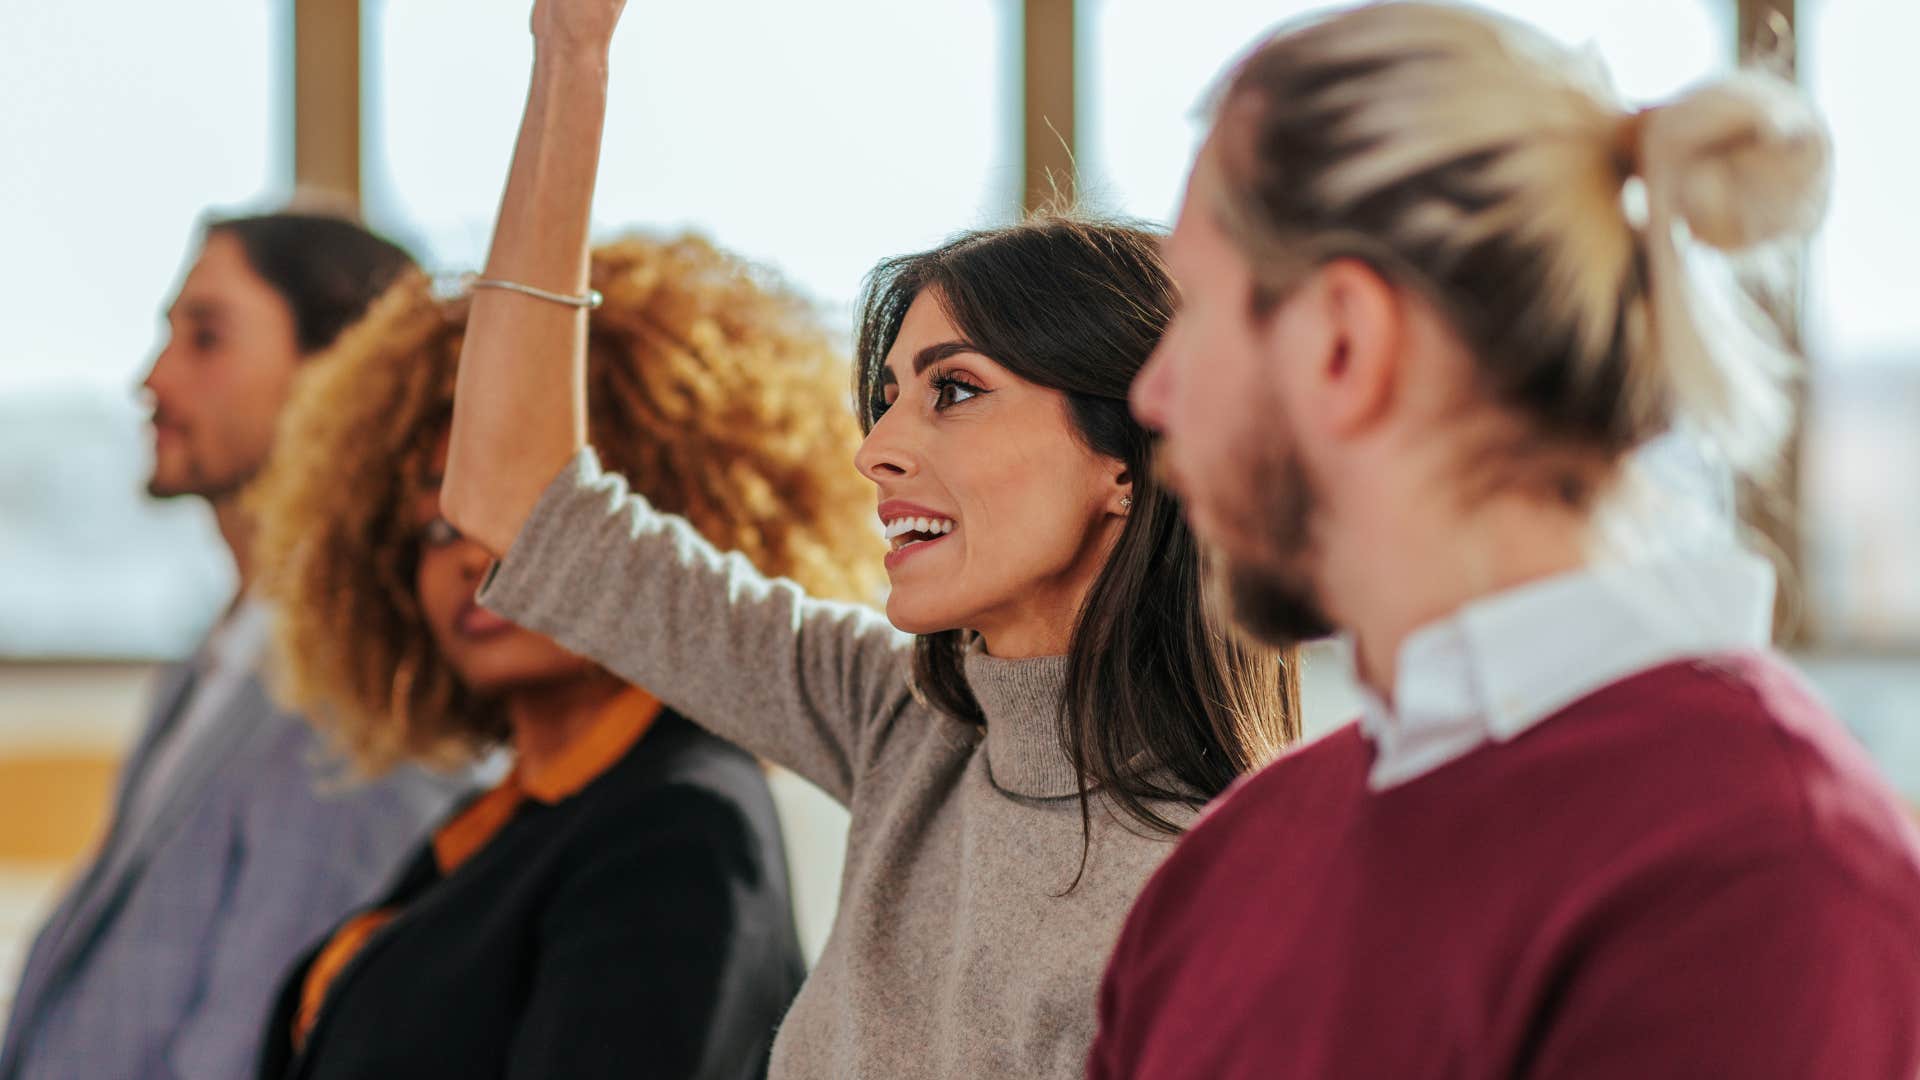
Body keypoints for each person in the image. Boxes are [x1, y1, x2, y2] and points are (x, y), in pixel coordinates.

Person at [436, 2, 1299, 1075]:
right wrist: (572, 55)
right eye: (887, 400)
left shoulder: (1218, 891)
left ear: (1129, 453)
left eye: (956, 390)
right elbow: (514, 501)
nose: (875, 451)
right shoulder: (908, 726)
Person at [1092, 4, 1920, 1077]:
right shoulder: (1226, 870)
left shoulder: (1758, 878)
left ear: (1345, 341)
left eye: (1193, 309)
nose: (1153, 395)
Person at [246, 236, 869, 1079]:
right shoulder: (511, 813)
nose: (470, 557)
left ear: (648, 528)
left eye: (520, 516)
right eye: (435, 529)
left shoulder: (682, 827)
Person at [0, 212, 459, 1080]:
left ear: (340, 378)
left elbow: (246, 1048)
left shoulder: (360, 704)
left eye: (205, 338)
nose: (152, 381)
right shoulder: (212, 668)